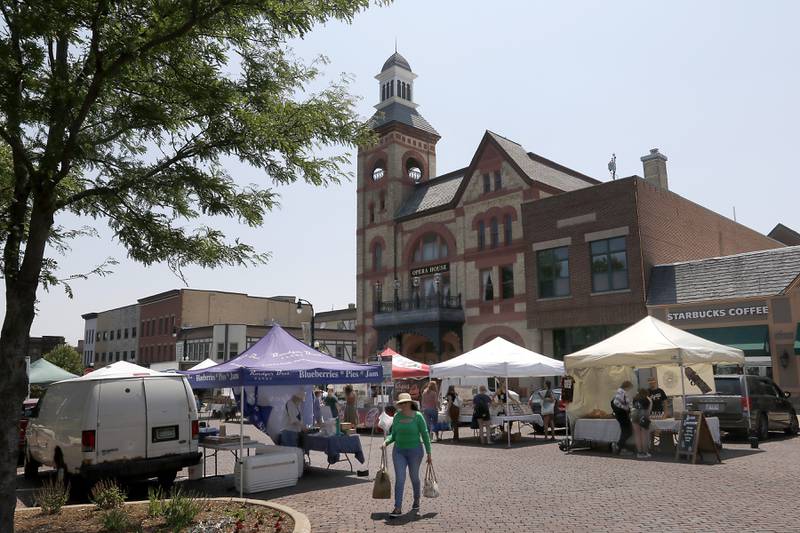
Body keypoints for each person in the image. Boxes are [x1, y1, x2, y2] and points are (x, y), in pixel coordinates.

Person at [381, 393, 432, 518]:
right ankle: (397, 507)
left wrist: (429, 453)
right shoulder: (397, 417)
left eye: (404, 403)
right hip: (399, 451)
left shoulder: (418, 416)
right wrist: (386, 442)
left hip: (415, 451)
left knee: (414, 477)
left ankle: (416, 499)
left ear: (410, 403)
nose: (402, 405)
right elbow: (393, 434)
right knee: (400, 479)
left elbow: (425, 435)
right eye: (400, 403)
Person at [610, 380, 634, 455]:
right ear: (627, 386)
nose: (629, 390)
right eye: (629, 388)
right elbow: (618, 403)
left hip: (619, 414)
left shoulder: (619, 391)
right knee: (628, 431)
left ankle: (620, 447)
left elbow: (615, 402)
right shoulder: (622, 392)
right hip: (622, 414)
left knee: (625, 431)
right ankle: (619, 446)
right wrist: (626, 408)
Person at [631, 388, 652, 459]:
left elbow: (633, 407)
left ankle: (639, 453)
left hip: (634, 415)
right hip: (643, 415)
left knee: (637, 435)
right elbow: (648, 411)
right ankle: (645, 452)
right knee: (644, 435)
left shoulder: (635, 398)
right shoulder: (648, 399)